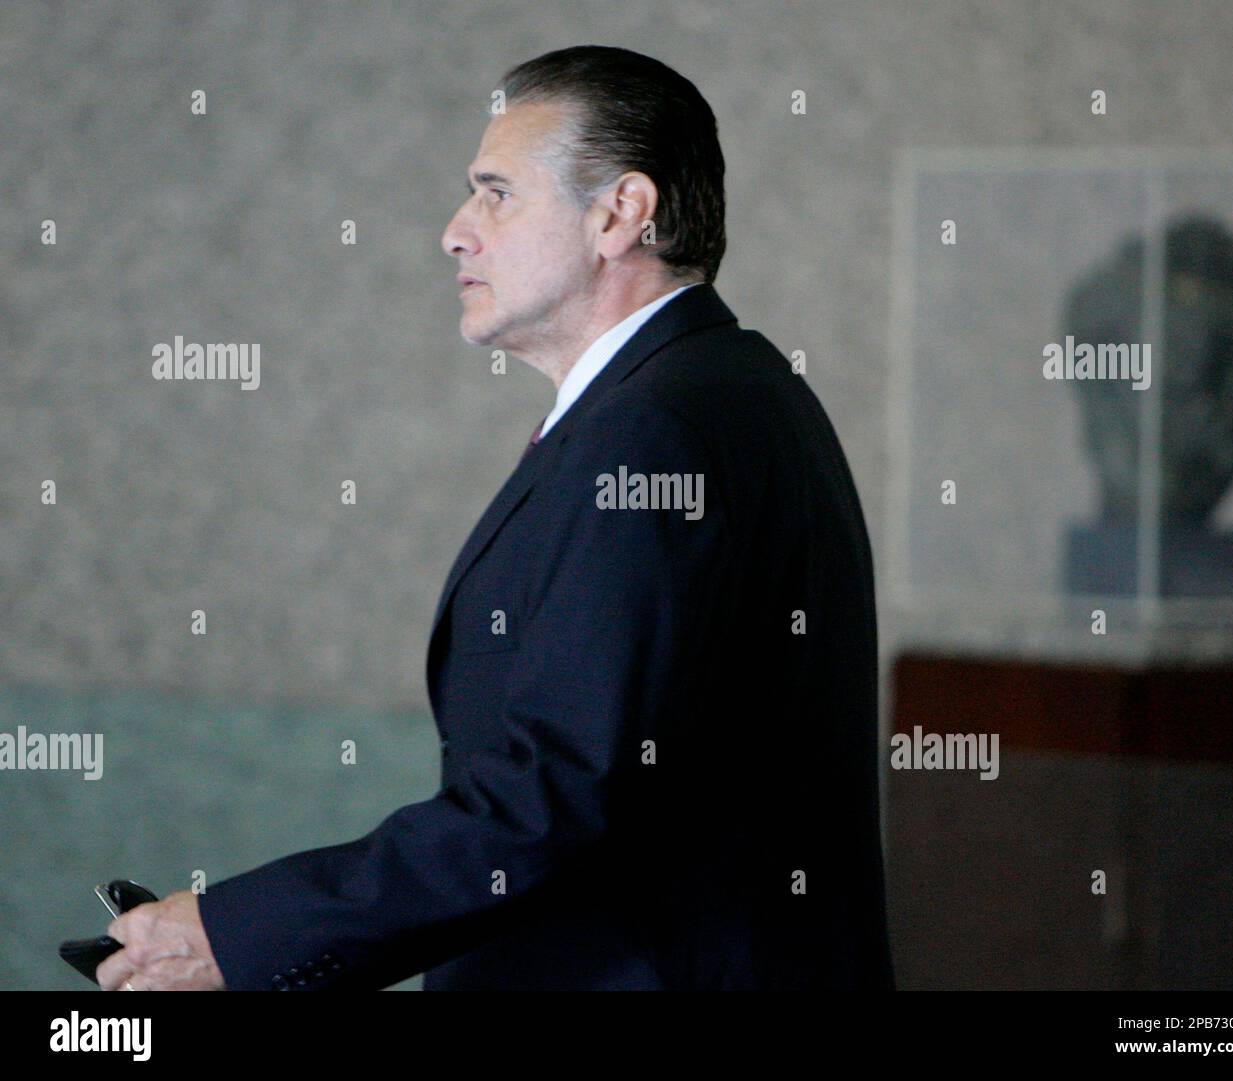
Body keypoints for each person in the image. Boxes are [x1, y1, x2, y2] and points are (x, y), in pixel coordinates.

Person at [96, 44, 894, 992]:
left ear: (619, 214)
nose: (455, 231)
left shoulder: (653, 427)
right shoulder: (727, 390)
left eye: (496, 192)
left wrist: (240, 933)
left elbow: (554, 792)